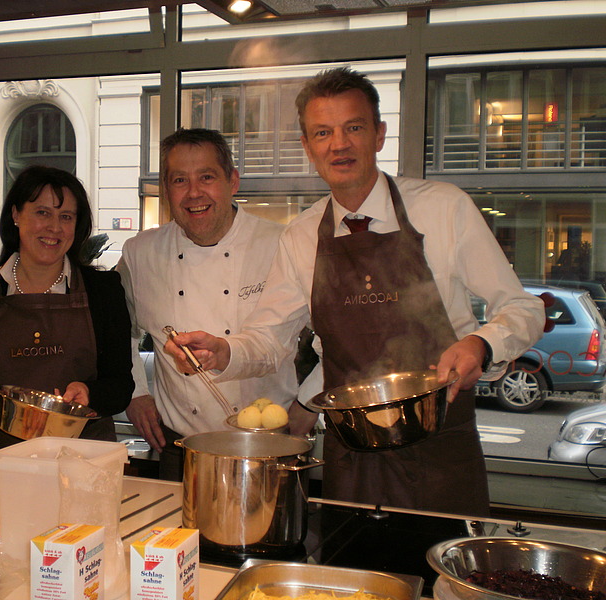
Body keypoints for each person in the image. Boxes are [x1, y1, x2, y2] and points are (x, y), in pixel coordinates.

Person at [165, 68, 546, 516]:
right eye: (322, 133)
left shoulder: (443, 208)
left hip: (440, 447)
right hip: (352, 452)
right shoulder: (302, 236)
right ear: (307, 147)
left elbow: (522, 308)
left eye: (354, 128)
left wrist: (482, 343)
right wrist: (224, 352)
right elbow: (270, 339)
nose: (339, 144)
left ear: (379, 135)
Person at [115, 127, 306, 481]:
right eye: (180, 180)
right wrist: (135, 392)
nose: (194, 193)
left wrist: (309, 402)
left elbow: (333, 335)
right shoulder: (140, 252)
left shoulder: (282, 244)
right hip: (181, 447)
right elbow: (116, 328)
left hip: (267, 444)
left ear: (232, 181)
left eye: (206, 177)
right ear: (166, 189)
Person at [0, 165, 134, 451]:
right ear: (16, 214)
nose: (54, 227)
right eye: (42, 212)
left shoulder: (103, 290)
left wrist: (90, 393)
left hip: (82, 458)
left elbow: (121, 384)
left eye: (66, 216)